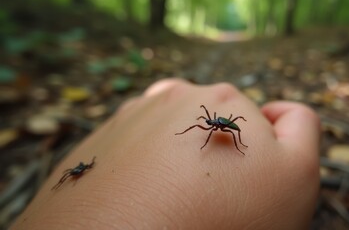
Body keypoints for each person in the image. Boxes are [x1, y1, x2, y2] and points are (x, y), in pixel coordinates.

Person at [11, 79, 321, 229]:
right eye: (210, 122)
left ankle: (235, 144)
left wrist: (233, 143)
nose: (209, 124)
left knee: (231, 131)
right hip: (226, 128)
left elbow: (224, 125)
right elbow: (208, 120)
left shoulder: (221, 127)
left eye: (210, 122)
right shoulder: (211, 122)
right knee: (208, 128)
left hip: (233, 133)